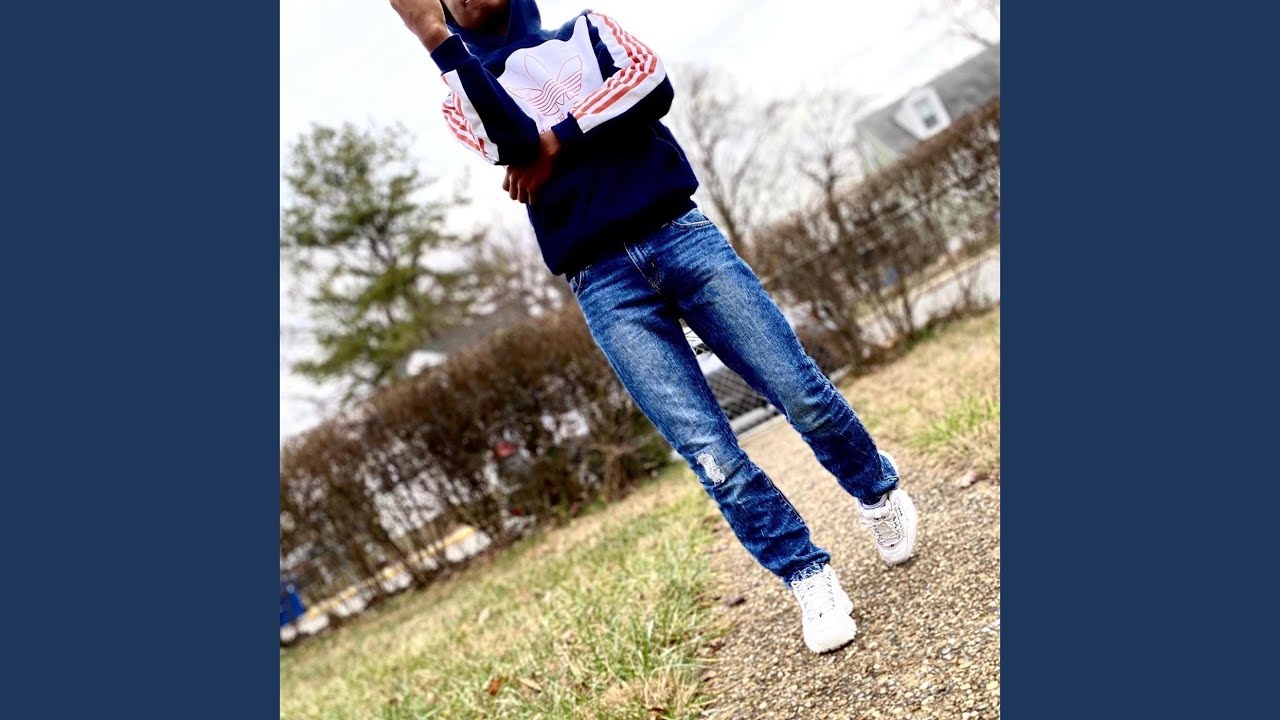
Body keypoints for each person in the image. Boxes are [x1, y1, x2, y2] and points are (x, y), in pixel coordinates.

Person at [388, 0, 918, 654]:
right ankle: (806, 574)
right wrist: (435, 41)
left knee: (798, 389)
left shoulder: (588, 30)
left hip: (680, 235)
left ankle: (876, 490)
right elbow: (509, 144)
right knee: (709, 451)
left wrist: (557, 141)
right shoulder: (460, 91)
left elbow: (647, 88)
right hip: (602, 282)